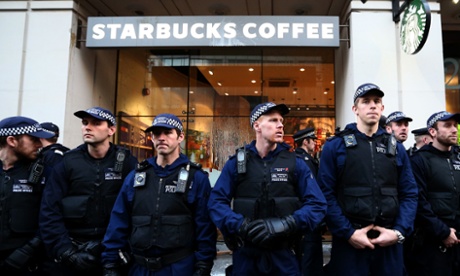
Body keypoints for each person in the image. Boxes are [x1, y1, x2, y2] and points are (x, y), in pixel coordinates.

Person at [208, 102, 327, 275]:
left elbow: (318, 205)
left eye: (281, 121)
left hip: (284, 256)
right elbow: (216, 203)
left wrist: (287, 224)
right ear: (257, 125)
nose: (280, 125)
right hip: (246, 256)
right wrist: (241, 225)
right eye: (272, 120)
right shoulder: (237, 163)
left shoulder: (295, 163)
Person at [317, 83, 418, 276]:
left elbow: (409, 194)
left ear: (382, 108)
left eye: (377, 101)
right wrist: (348, 233)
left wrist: (398, 232)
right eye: (366, 101)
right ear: (355, 109)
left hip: (389, 242)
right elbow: (325, 194)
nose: (372, 105)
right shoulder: (335, 146)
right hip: (350, 244)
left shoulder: (396, 147)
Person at [101, 113, 216, 276]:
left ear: (180, 137)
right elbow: (119, 220)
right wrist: (110, 262)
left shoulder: (195, 178)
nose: (161, 138)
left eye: (168, 133)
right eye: (156, 133)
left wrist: (203, 263)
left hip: (179, 267)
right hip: (139, 268)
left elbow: (204, 225)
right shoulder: (135, 176)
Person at [39, 107, 138, 275]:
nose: (87, 127)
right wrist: (67, 252)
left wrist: (124, 248)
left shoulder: (127, 162)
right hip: (74, 251)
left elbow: (138, 209)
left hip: (113, 252)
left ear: (111, 130)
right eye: (85, 123)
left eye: (96, 123)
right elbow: (49, 211)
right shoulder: (67, 162)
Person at [405, 111, 460, 276]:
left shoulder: (458, 156)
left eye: (455, 125)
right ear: (433, 132)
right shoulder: (419, 160)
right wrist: (443, 232)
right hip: (432, 243)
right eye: (447, 126)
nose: (454, 130)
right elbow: (418, 202)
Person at [0, 116, 55, 275]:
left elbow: (51, 216)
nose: (40, 145)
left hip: (26, 262)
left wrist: (27, 252)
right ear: (12, 141)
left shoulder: (45, 172)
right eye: (33, 139)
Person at [293, 127, 324, 275]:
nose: (315, 144)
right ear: (306, 142)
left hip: (302, 220)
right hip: (309, 222)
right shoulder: (304, 161)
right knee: (309, 264)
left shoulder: (296, 159)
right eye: (314, 141)